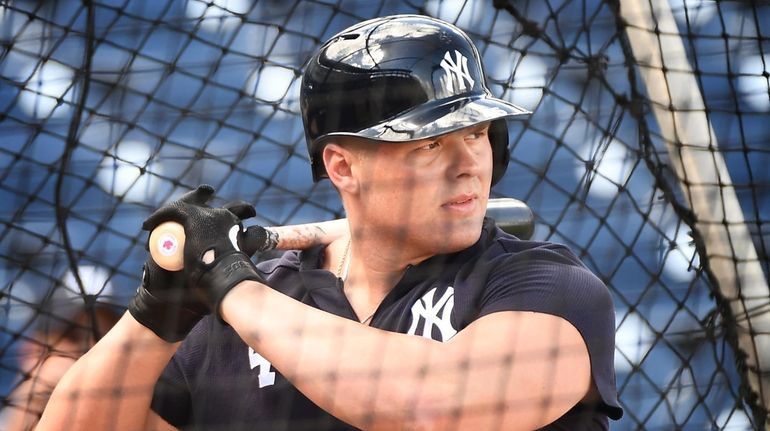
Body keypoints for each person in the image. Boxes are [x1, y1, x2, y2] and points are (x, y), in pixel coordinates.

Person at [38, 14, 623, 430]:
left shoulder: (546, 288)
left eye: (476, 135)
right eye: (429, 145)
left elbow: (440, 409)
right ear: (342, 166)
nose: (469, 165)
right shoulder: (245, 311)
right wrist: (156, 311)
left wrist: (229, 285)